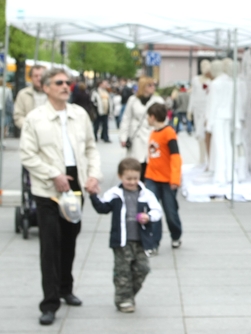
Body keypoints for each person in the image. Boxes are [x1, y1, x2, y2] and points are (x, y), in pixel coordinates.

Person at [19, 67, 102, 326]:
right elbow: (27, 155)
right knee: (50, 246)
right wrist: (53, 174)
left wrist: (93, 175)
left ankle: (66, 288)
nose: (66, 86)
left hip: (75, 184)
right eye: (59, 83)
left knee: (70, 239)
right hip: (47, 189)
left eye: (68, 82)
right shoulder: (36, 118)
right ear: (46, 88)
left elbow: (91, 148)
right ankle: (50, 302)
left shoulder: (79, 115)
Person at [88, 158, 162, 313]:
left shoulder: (146, 194)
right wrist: (93, 196)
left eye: (135, 178)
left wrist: (148, 217)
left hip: (141, 240)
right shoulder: (114, 194)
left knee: (142, 269)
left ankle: (128, 295)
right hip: (121, 241)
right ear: (120, 176)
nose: (132, 182)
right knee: (123, 271)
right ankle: (124, 300)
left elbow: (157, 211)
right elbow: (103, 208)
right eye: (128, 178)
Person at [144, 103, 183, 253]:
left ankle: (176, 235)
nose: (147, 119)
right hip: (152, 178)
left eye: (148, 116)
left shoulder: (169, 133)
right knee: (153, 211)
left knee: (170, 211)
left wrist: (175, 179)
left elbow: (175, 157)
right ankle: (153, 243)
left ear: (153, 117)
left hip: (167, 180)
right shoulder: (153, 133)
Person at [119, 77, 164, 181]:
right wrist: (123, 137)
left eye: (154, 85)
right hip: (136, 136)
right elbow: (126, 119)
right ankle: (136, 184)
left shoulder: (158, 100)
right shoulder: (133, 100)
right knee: (137, 163)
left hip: (152, 135)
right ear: (143, 87)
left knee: (151, 162)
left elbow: (163, 120)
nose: (153, 87)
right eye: (150, 85)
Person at [13, 64, 47, 131]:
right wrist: (29, 127)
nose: (39, 78)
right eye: (36, 76)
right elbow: (18, 116)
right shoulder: (23, 94)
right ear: (31, 77)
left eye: (41, 75)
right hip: (29, 133)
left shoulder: (53, 93)